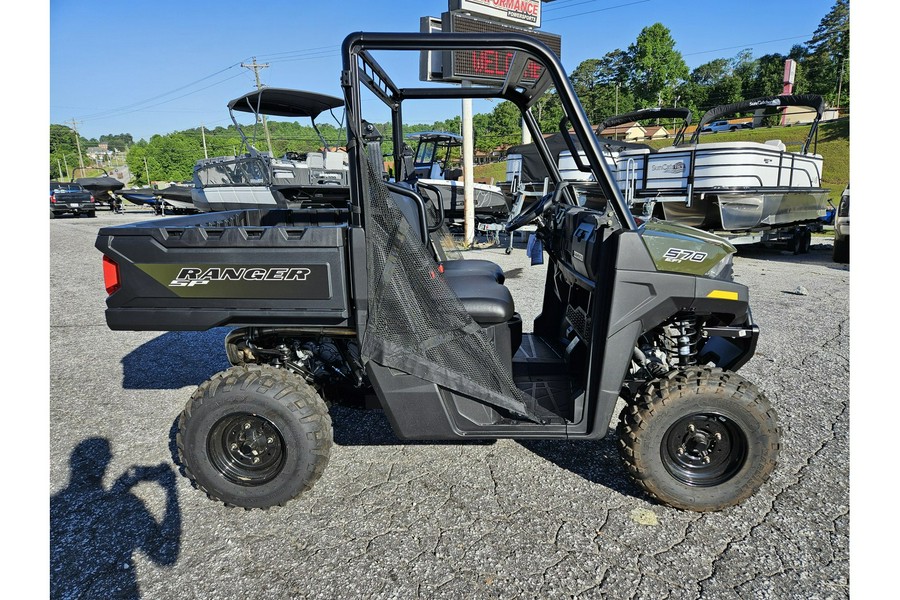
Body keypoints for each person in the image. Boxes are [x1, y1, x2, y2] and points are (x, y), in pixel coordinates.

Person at [50, 438, 181, 599]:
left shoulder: (53, 508)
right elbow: (166, 555)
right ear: (104, 462)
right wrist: (171, 490)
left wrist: (118, 491)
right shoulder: (127, 505)